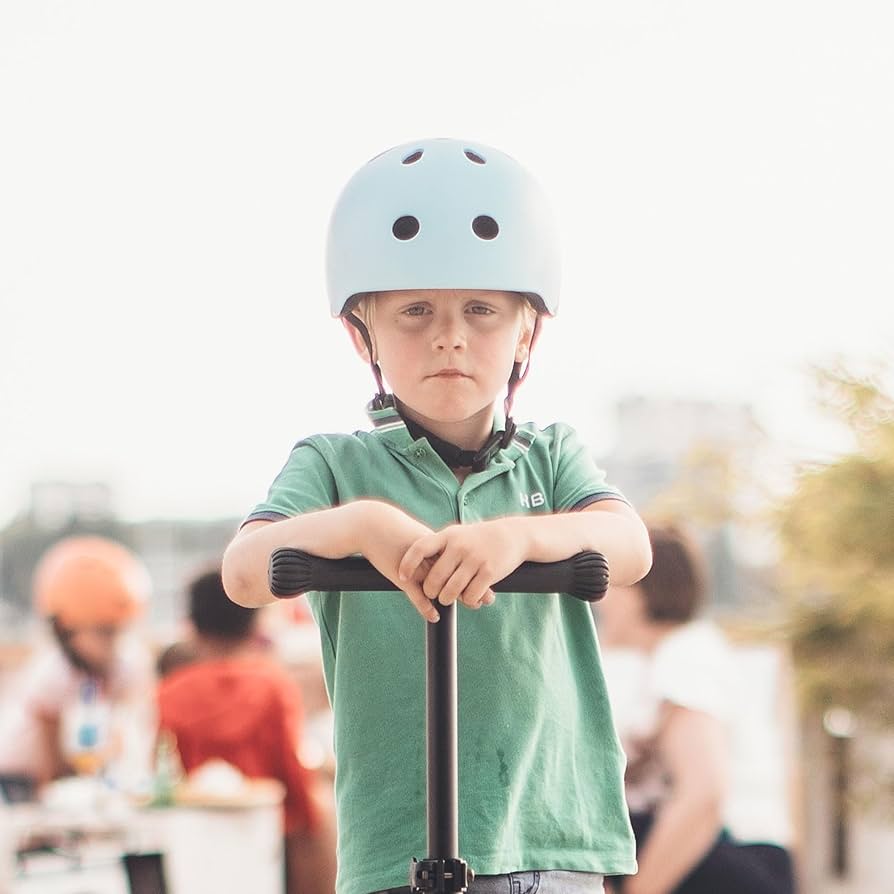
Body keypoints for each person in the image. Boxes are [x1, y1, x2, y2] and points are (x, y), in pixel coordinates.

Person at [222, 138, 653, 894]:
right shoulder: (333, 466)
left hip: (550, 831)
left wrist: (517, 535)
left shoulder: (550, 459)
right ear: (365, 332)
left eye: (481, 311)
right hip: (397, 845)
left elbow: (629, 545)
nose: (450, 335)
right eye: (416, 310)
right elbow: (245, 572)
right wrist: (361, 528)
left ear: (526, 331)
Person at [597, 523, 797, 894]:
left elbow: (703, 792)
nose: (597, 599)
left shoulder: (686, 656)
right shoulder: (677, 657)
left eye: (608, 584)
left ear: (640, 592)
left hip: (737, 860)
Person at [156, 568, 337, 894]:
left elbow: (161, 773)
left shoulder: (169, 693)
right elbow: (294, 772)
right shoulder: (273, 685)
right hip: (270, 839)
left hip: (195, 844)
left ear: (193, 626)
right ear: (256, 622)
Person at [0, 536, 154, 790]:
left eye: (120, 631)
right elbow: (54, 766)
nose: (114, 644)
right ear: (65, 629)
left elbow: (124, 735)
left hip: (75, 777)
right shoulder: (52, 674)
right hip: (19, 779)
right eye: (103, 632)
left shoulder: (127, 664)